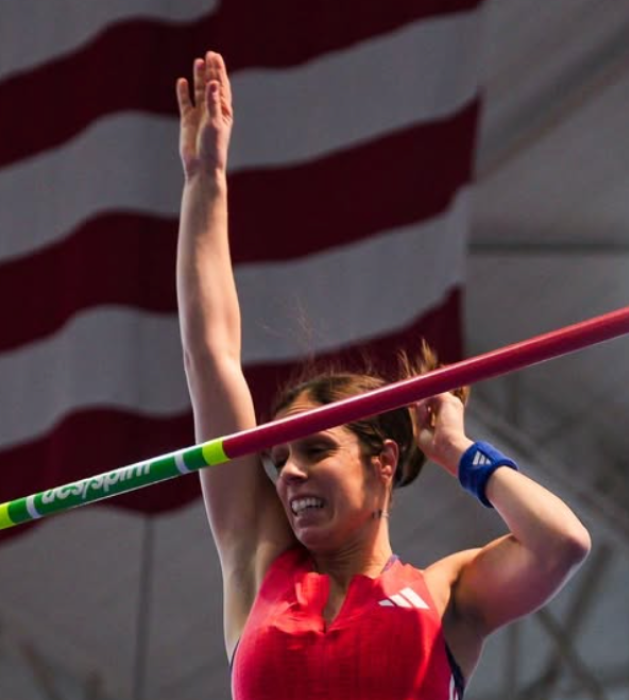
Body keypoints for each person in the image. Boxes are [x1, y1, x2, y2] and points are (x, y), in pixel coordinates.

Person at [175, 51, 591, 699]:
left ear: (384, 462)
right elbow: (211, 356)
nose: (288, 473)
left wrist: (457, 450)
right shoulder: (257, 564)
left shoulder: (446, 595)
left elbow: (561, 543)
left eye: (315, 449)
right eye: (281, 458)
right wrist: (205, 181)